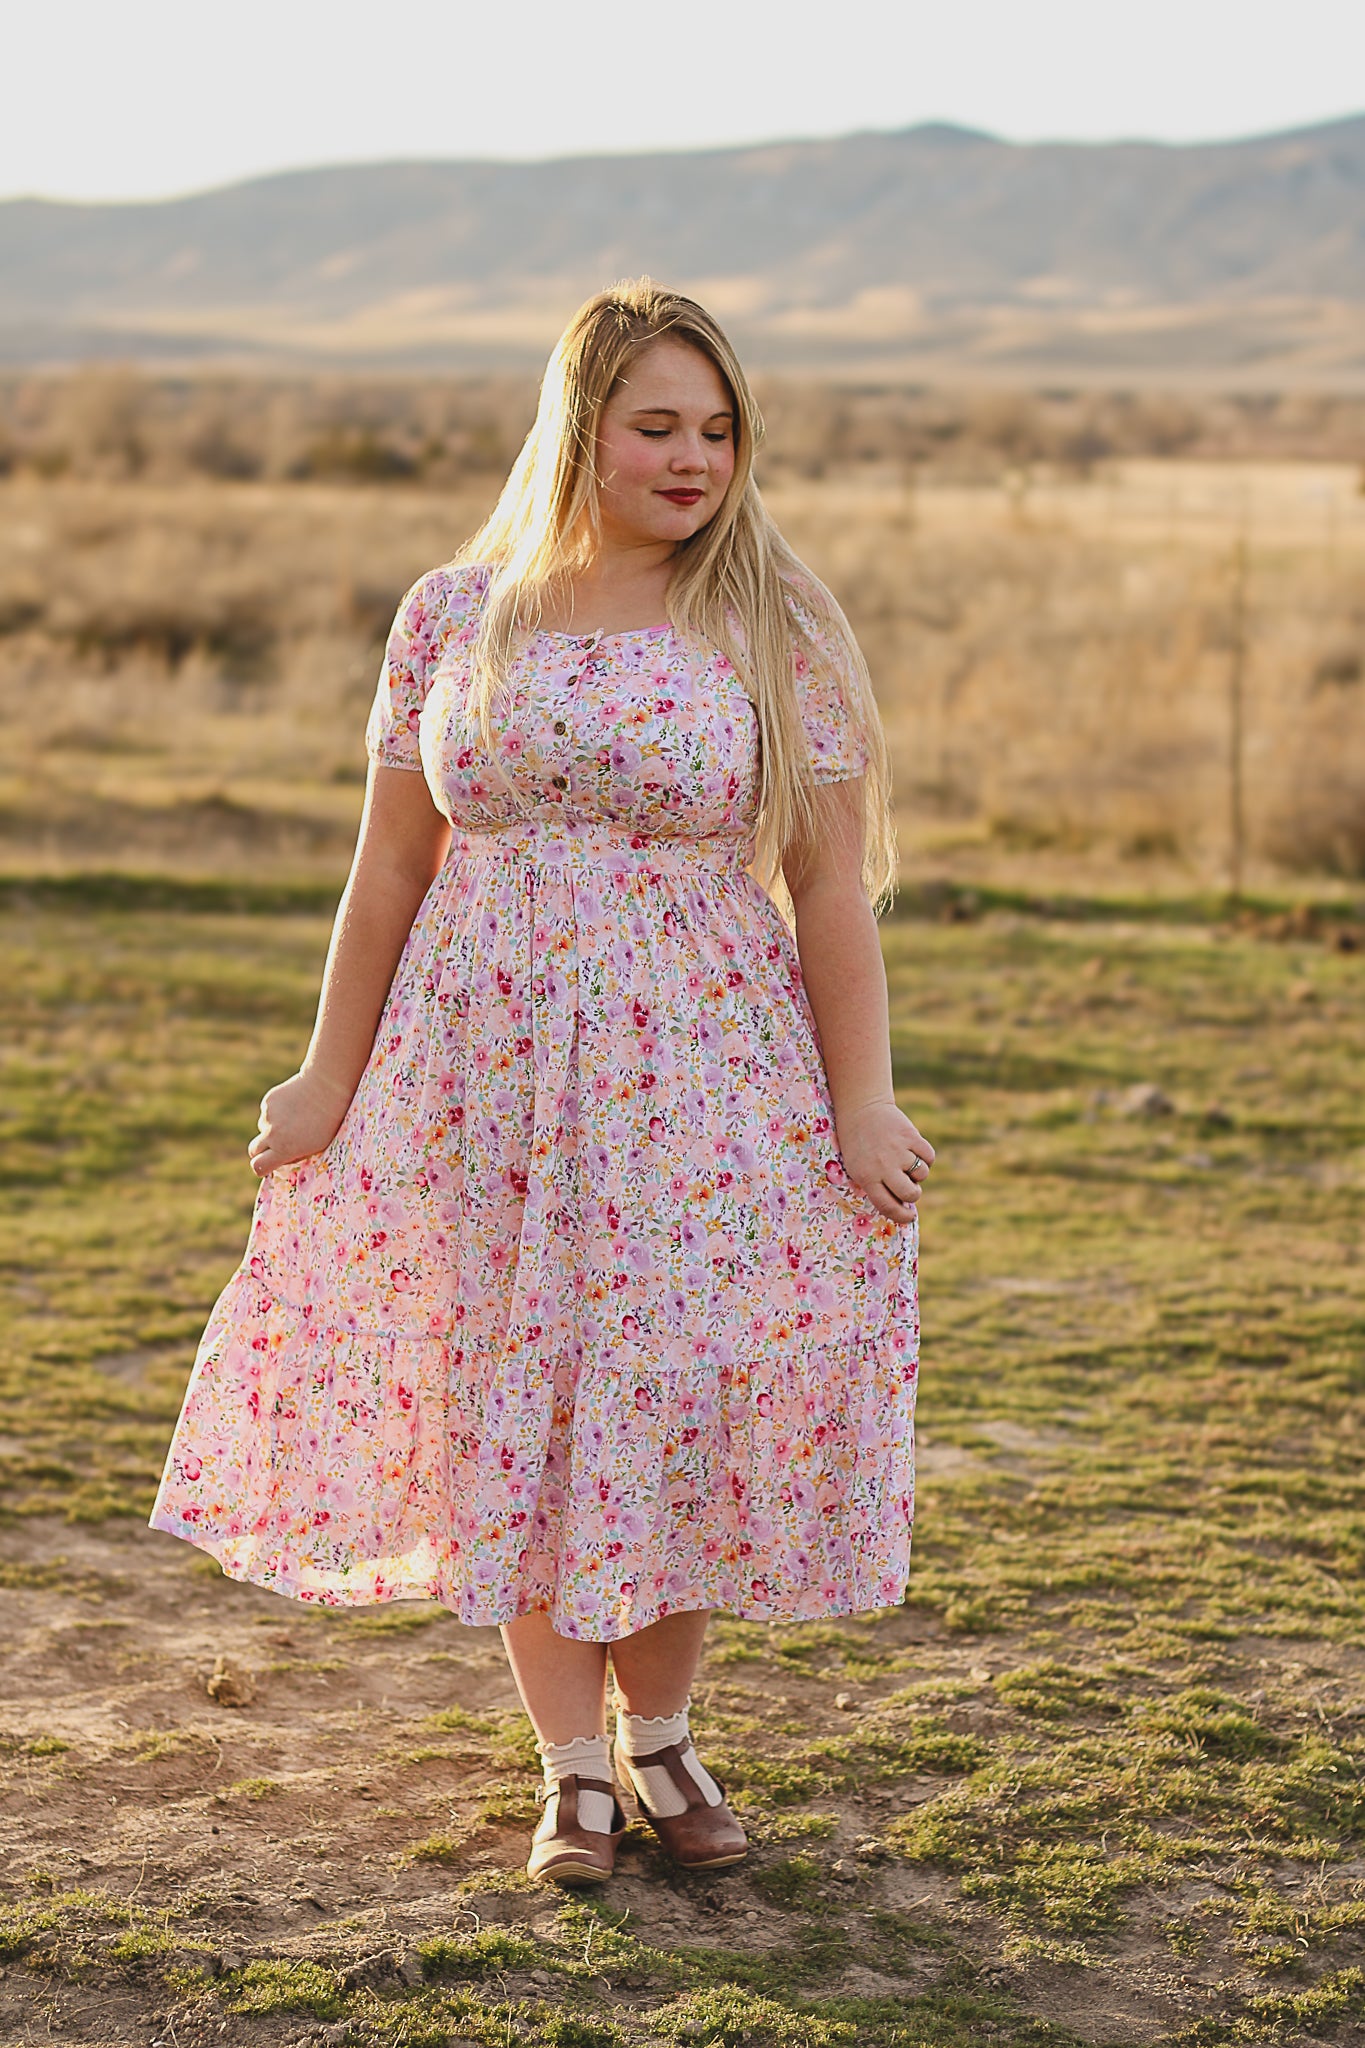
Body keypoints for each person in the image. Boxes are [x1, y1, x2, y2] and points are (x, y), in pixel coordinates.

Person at [149, 278, 934, 1887]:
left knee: (676, 1391)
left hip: (705, 1080)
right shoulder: (455, 612)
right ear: (579, 426)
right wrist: (321, 1079)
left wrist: (863, 1101)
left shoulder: (773, 623)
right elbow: (388, 873)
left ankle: (663, 1736)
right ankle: (570, 1766)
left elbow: (828, 887)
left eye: (716, 429)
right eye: (654, 424)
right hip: (477, 1076)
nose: (691, 456)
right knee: (521, 1391)